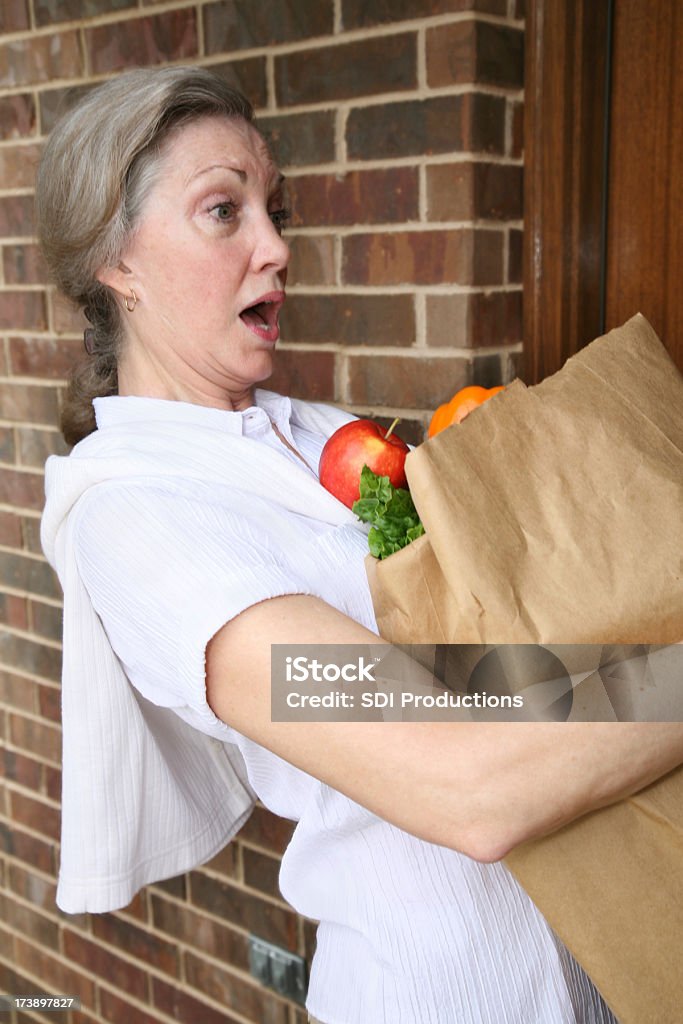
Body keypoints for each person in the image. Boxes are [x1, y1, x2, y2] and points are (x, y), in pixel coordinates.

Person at [36, 66, 683, 1024]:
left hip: (605, 955)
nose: (277, 246)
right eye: (224, 211)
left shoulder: (317, 437)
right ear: (115, 261)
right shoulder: (141, 522)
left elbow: (492, 661)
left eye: (276, 207)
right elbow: (462, 776)